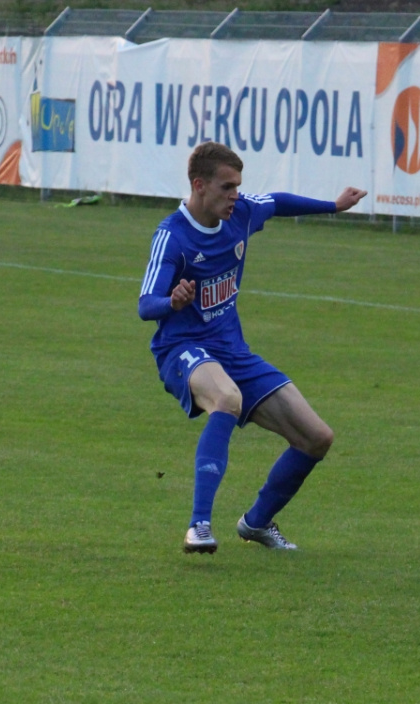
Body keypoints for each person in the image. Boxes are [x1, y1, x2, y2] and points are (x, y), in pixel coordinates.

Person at [138, 141, 367, 553]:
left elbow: (276, 202)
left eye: (238, 186)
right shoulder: (172, 236)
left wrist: (333, 207)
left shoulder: (240, 214)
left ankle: (257, 523)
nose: (236, 195)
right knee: (226, 398)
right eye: (227, 187)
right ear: (199, 185)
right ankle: (199, 526)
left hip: (232, 351)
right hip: (182, 348)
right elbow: (144, 305)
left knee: (317, 437)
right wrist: (171, 302)